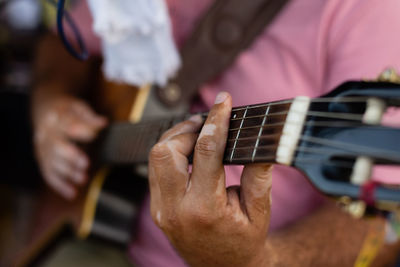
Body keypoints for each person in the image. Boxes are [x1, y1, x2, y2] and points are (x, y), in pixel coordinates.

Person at [32, 0, 400, 266]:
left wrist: (260, 261)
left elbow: (380, 225)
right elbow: (65, 40)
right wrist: (50, 103)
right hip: (91, 231)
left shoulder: (372, 13)